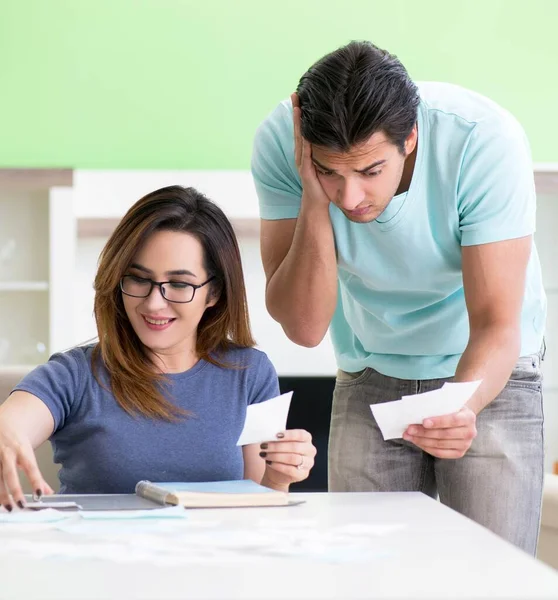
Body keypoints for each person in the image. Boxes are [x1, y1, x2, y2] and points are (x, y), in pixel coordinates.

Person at [251, 40, 546, 555]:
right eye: (330, 172)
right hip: (371, 370)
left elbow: (497, 321)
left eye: (370, 171)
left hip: (486, 372)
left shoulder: (483, 141)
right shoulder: (283, 142)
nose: (351, 198)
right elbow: (304, 327)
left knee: (489, 578)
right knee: (368, 576)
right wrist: (312, 202)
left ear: (410, 138)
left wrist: (464, 406)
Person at [0, 185, 316, 509]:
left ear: (214, 293)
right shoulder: (75, 375)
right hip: (98, 556)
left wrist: (281, 477)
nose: (154, 303)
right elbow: (13, 422)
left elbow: (258, 504)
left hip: (212, 557)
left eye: (179, 284)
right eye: (138, 279)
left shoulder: (250, 373)